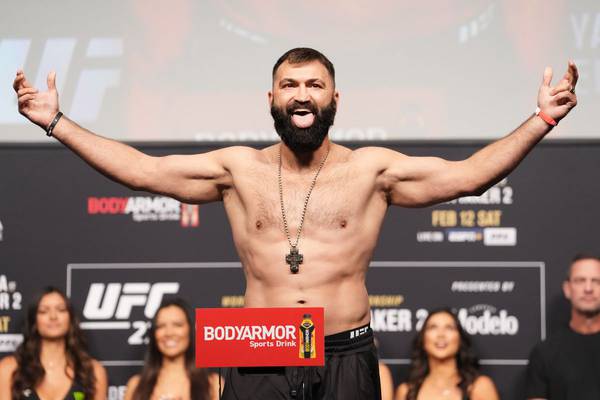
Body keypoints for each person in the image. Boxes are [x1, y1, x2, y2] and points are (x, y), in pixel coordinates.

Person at [12, 47, 577, 399]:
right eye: (290, 85)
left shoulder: (371, 170)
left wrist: (540, 120)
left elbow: (470, 177)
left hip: (345, 349)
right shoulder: (238, 169)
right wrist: (56, 121)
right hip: (262, 343)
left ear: (335, 99)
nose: (301, 95)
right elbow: (142, 171)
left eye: (314, 85)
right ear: (271, 98)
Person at [0, 287, 107, 400]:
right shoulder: (9, 369)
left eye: (61, 309)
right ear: (34, 320)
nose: (53, 317)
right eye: (43, 311)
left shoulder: (93, 371)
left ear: (70, 318)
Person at [526, 254, 600, 400]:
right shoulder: (544, 353)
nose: (588, 288)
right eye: (580, 280)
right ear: (567, 289)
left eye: (596, 281)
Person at [124, 298, 221, 400]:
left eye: (177, 325)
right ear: (154, 334)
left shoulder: (214, 385)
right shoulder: (136, 386)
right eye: (161, 326)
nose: (169, 333)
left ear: (190, 329)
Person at [395, 309, 499, 400]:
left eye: (449, 328)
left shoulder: (479, 387)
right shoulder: (406, 391)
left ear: (460, 339)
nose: (441, 334)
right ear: (423, 339)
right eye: (433, 327)